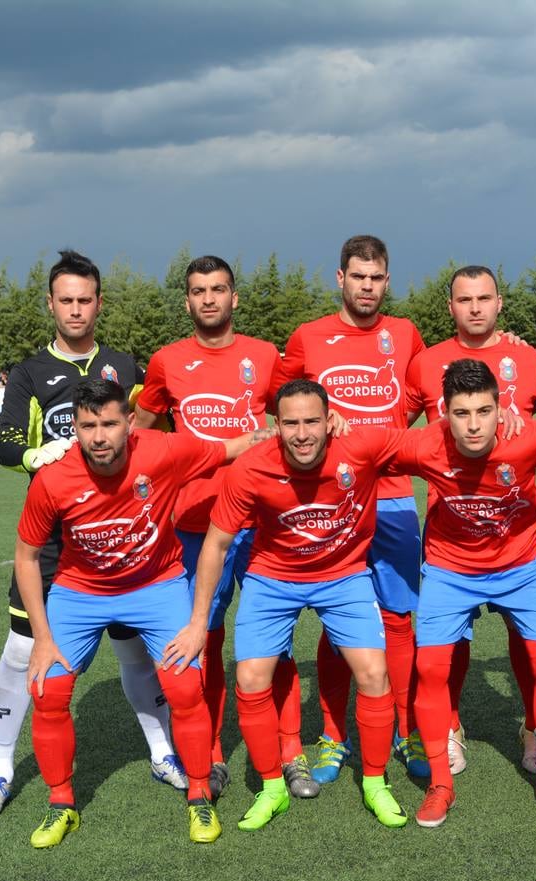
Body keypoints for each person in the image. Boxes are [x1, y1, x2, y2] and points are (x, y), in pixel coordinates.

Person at [0, 249, 186, 821]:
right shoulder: (30, 372)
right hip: (54, 542)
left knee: (137, 652)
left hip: (124, 537)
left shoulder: (126, 367)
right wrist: (38, 454)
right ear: (50, 303)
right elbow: (5, 447)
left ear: (98, 302)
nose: (75, 309)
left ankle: (163, 753)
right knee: (23, 653)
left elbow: (158, 433)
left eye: (84, 299)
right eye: (65, 300)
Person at [15, 378, 263, 847]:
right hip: (79, 592)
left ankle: (199, 796)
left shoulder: (163, 451)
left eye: (109, 423)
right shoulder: (53, 478)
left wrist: (278, 434)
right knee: (46, 690)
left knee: (184, 685)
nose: (99, 436)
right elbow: (26, 558)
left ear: (130, 423)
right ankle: (61, 804)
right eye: (87, 426)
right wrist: (43, 637)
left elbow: (230, 448)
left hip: (157, 585)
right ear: (75, 427)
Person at [190, 379, 410, 831]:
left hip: (343, 574)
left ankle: (374, 783)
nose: (303, 433)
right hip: (273, 577)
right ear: (276, 425)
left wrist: (504, 423)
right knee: (251, 677)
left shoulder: (362, 446)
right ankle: (272, 788)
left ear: (330, 421)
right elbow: (215, 544)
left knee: (373, 672)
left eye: (312, 421)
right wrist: (198, 622)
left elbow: (434, 442)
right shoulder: (251, 467)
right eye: (291, 423)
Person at [136, 254, 315, 801]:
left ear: (234, 297)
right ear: (187, 300)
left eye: (218, 289)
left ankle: (290, 753)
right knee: (202, 642)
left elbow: (295, 410)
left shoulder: (266, 357)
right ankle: (209, 755)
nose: (208, 298)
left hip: (261, 523)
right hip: (193, 525)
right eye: (198, 290)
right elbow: (140, 431)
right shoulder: (166, 361)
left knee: (275, 641)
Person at [400, 360, 536, 827]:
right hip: (451, 570)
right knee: (429, 667)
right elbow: (363, 451)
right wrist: (332, 424)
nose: (473, 425)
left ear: (500, 409)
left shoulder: (527, 435)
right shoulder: (425, 443)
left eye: (484, 411)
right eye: (462, 413)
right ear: (443, 413)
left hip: (521, 569)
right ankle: (439, 785)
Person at [278, 235, 428, 782]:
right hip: (328, 501)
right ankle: (334, 736)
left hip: (390, 499)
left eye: (377, 278)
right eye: (358, 277)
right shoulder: (308, 338)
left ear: (387, 282)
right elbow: (282, 399)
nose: (367, 287)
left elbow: (424, 391)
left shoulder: (406, 334)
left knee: (397, 619)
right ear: (339, 278)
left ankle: (405, 730)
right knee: (340, 621)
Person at [403, 265, 536, 775]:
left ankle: (534, 728)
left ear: (499, 303)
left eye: (484, 298)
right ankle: (449, 727)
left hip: (516, 538)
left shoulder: (528, 357)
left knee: (530, 642)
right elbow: (393, 430)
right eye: (464, 299)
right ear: (449, 307)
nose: (475, 307)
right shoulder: (424, 363)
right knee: (449, 646)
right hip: (450, 538)